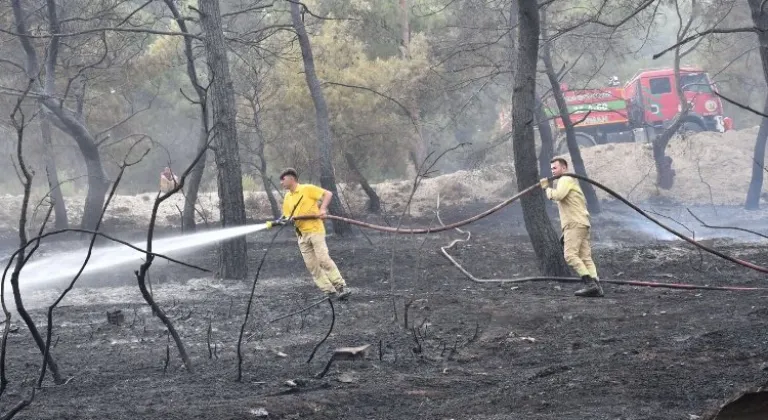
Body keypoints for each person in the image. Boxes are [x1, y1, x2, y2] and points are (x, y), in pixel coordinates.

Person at [278, 168, 350, 300]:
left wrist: (322, 209)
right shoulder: (288, 197)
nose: (281, 183)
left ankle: (341, 286)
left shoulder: (307, 189)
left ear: (291, 179)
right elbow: (288, 215)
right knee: (312, 266)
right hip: (301, 235)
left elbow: (328, 194)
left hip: (315, 230)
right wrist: (282, 220)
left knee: (323, 259)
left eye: (283, 179)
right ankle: (330, 292)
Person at [539, 158, 604, 297]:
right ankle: (597, 287)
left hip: (574, 224)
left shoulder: (565, 179)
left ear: (564, 168)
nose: (553, 171)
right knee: (585, 257)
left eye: (555, 168)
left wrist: (546, 188)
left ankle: (590, 284)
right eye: (552, 169)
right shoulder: (569, 181)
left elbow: (558, 196)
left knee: (570, 255)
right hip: (582, 223)